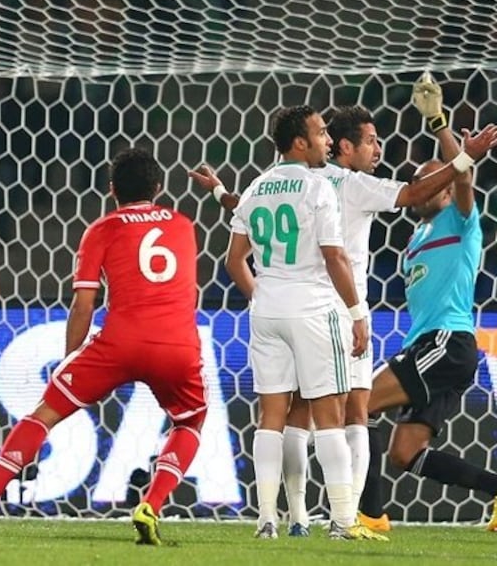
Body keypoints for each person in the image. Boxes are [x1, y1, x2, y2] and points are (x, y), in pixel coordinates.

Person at [189, 75, 497, 535]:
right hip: (333, 314)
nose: (379, 150)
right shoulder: (357, 192)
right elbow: (415, 193)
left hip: (294, 311)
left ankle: (302, 516)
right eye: (370, 142)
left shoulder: (282, 184)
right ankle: (346, 516)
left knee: (295, 414)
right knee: (365, 427)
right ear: (342, 149)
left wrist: (221, 199)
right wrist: (462, 153)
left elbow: (249, 211)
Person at [0, 148, 206, 547]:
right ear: (158, 187)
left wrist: (71, 358)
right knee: (189, 423)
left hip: (119, 343)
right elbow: (193, 292)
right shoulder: (184, 225)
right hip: (178, 344)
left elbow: (84, 303)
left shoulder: (102, 229)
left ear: (112, 189)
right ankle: (150, 504)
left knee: (42, 415)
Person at [224, 105, 377, 540]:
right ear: (299, 142)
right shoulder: (317, 188)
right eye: (321, 133)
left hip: (267, 311)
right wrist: (357, 314)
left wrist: (265, 295)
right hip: (313, 309)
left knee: (271, 416)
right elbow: (335, 257)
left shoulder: (255, 188)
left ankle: (267, 519)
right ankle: (345, 521)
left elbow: (234, 260)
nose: (328, 140)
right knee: (329, 415)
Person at [361, 81, 497, 529]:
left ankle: (369, 514)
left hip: (446, 341)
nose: (421, 183)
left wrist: (440, 126)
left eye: (429, 179)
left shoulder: (461, 222)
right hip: (430, 345)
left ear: (444, 188)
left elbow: (462, 175)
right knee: (404, 454)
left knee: (356, 405)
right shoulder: (414, 238)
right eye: (417, 178)